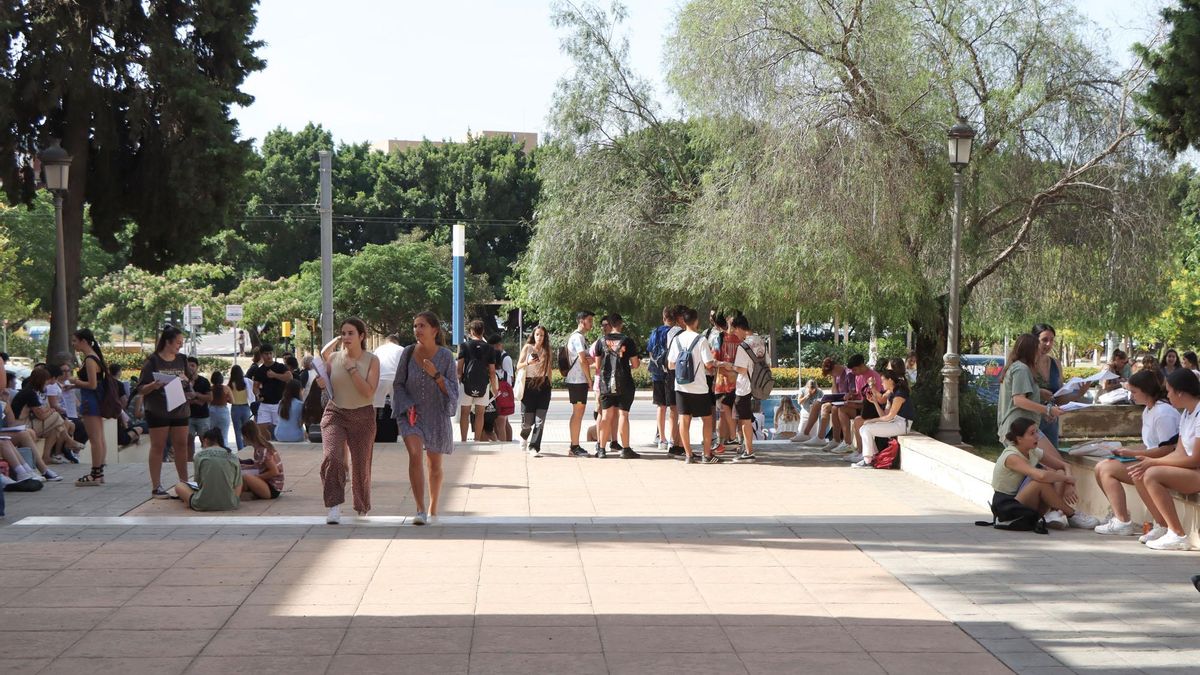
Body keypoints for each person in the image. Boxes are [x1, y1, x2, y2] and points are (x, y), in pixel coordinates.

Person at [1093, 370, 1181, 536]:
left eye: (1134, 392)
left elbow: (1167, 449)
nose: (1131, 396)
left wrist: (1132, 455)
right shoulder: (1149, 410)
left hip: (1163, 462)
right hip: (1150, 459)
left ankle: (1128, 521)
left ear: (1146, 391)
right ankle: (1120, 517)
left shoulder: (1163, 413)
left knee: (1106, 469)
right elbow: (1151, 444)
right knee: (1100, 467)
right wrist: (1126, 451)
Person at [393, 311, 459, 525]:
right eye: (415, 326)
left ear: (434, 330)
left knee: (434, 465)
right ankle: (420, 509)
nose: (417, 330)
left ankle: (433, 506)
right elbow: (398, 383)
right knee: (414, 454)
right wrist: (406, 404)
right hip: (411, 414)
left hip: (436, 413)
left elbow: (453, 391)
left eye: (422, 326)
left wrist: (436, 375)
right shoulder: (408, 352)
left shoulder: (446, 356)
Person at [1128, 368, 1200, 551]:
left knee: (1152, 474)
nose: (1167, 395)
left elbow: (1195, 460)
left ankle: (1177, 533)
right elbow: (1180, 453)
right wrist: (1148, 461)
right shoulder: (1187, 413)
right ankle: (1164, 527)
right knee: (1142, 472)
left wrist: (1154, 462)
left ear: (1180, 392)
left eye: (1169, 391)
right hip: (1192, 471)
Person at [319, 318, 380, 524]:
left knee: (361, 465)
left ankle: (362, 507)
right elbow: (326, 378)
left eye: (350, 333)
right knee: (333, 457)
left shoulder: (372, 360)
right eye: (343, 333)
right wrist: (321, 381)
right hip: (335, 413)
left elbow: (368, 392)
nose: (346, 338)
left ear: (361, 336)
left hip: (363, 416)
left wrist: (352, 369)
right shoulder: (334, 358)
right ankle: (334, 506)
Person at [991, 418, 1087, 530]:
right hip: (1007, 506)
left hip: (1023, 500)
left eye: (1037, 432)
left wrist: (1069, 484)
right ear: (1019, 438)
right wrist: (1067, 479)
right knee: (1040, 482)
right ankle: (1071, 514)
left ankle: (1053, 513)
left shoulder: (1033, 451)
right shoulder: (1012, 456)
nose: (1037, 436)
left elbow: (1064, 466)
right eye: (1032, 433)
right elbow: (1041, 476)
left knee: (1057, 473)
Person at [139, 325, 193, 498]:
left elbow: (190, 380)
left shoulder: (182, 359)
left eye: (181, 343)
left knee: (181, 445)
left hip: (179, 408)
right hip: (158, 409)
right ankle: (156, 486)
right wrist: (153, 386)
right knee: (158, 446)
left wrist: (185, 380)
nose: (179, 346)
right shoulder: (152, 361)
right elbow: (140, 389)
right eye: (177, 342)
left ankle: (184, 483)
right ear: (167, 342)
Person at [997, 333, 1067, 466]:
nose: (1039, 354)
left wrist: (1038, 393)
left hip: (1023, 428)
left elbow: (1018, 393)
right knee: (1058, 466)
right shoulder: (1021, 369)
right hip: (1021, 430)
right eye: (1038, 350)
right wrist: (1048, 410)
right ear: (1032, 350)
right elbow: (1019, 400)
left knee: (1042, 470)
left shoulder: (1016, 367)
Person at [668, 307, 717, 463]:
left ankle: (688, 455)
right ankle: (707, 454)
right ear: (696, 321)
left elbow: (671, 365)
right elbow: (709, 364)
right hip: (700, 387)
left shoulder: (677, 339)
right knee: (707, 420)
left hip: (681, 386)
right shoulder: (701, 339)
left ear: (683, 321)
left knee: (684, 420)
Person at [1032, 324, 1090, 447]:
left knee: (1052, 460)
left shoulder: (1056, 364)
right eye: (1044, 340)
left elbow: (1058, 398)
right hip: (1031, 421)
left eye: (1052, 340)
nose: (1048, 344)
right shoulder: (1025, 364)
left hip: (1051, 421)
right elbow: (1020, 396)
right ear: (1033, 339)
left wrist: (1079, 393)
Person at [11, 368, 76, 474]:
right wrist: (51, 411)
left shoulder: (31, 391)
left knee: (55, 428)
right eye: (46, 380)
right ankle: (68, 441)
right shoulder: (30, 393)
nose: (47, 383)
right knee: (56, 416)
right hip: (21, 424)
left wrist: (48, 410)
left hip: (25, 422)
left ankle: (47, 456)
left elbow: (42, 410)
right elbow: (41, 415)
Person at [594, 313, 641, 459]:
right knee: (623, 415)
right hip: (624, 383)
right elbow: (635, 364)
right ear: (620, 323)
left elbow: (597, 365)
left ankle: (601, 449)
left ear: (609, 324)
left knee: (606, 416)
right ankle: (625, 449)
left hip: (606, 383)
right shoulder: (627, 341)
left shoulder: (600, 341)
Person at [70, 329, 111, 485]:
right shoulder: (95, 356)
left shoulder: (89, 359)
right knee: (99, 438)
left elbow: (92, 384)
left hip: (90, 402)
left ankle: (95, 474)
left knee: (95, 439)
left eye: (75, 341)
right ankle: (98, 472)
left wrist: (75, 382)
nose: (73, 344)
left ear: (84, 341)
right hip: (95, 401)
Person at [851, 369, 915, 468]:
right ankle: (871, 457)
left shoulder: (899, 394)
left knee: (866, 428)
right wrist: (875, 402)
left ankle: (868, 461)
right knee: (864, 428)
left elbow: (889, 417)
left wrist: (871, 420)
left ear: (890, 380)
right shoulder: (892, 394)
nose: (881, 383)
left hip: (902, 425)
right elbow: (883, 416)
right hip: (896, 423)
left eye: (883, 380)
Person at [173, 427, 242, 512]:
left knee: (179, 486)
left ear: (205, 441)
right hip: (230, 504)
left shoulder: (199, 455)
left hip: (202, 504)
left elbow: (198, 482)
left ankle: (197, 500)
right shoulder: (233, 457)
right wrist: (234, 501)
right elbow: (238, 484)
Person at [728, 313, 767, 462]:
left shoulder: (743, 346)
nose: (734, 333)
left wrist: (730, 366)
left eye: (735, 330)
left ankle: (749, 451)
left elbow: (741, 369)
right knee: (746, 418)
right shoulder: (761, 341)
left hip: (744, 387)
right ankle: (747, 448)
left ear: (740, 328)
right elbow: (766, 362)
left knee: (744, 420)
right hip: (758, 385)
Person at [647, 306, 684, 456]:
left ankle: (661, 438)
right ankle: (672, 439)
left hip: (657, 373)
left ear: (663, 318)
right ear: (675, 319)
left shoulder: (655, 332)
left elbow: (650, 350)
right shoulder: (676, 332)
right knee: (673, 408)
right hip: (670, 374)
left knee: (660, 406)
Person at [457, 319, 498, 443]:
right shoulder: (489, 348)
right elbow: (492, 371)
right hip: (483, 384)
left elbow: (459, 368)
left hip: (467, 383)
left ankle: (464, 440)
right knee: (480, 413)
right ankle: (477, 440)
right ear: (483, 331)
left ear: (471, 331)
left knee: (465, 413)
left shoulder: (464, 346)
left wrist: (458, 383)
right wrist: (494, 387)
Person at [802, 357, 855, 451]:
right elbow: (835, 392)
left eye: (831, 373)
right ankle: (807, 434)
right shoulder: (837, 375)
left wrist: (847, 395)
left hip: (846, 402)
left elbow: (853, 392)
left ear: (835, 368)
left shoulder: (849, 373)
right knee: (817, 403)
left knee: (830, 408)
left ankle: (834, 439)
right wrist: (834, 379)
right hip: (838, 400)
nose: (831, 375)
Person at [837, 354, 884, 460]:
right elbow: (860, 394)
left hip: (874, 408)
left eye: (854, 370)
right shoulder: (858, 376)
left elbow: (875, 398)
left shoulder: (874, 376)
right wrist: (851, 395)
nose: (853, 373)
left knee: (858, 420)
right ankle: (847, 443)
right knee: (841, 409)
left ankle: (861, 451)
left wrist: (855, 403)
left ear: (862, 365)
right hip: (863, 407)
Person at [515, 326, 553, 457]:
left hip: (543, 385)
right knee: (527, 422)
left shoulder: (547, 350)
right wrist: (528, 362)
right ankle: (524, 436)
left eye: (542, 335)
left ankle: (534, 447)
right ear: (534, 335)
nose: (540, 337)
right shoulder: (528, 348)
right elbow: (518, 366)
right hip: (529, 385)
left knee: (540, 420)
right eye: (537, 334)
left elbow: (549, 368)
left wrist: (550, 384)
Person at [563, 311, 595, 457]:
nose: (591, 323)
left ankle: (574, 445)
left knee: (578, 413)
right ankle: (574, 446)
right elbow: (583, 359)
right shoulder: (577, 337)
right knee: (578, 413)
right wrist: (589, 380)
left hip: (578, 380)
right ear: (581, 321)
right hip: (577, 380)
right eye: (589, 320)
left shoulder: (580, 337)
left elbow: (587, 358)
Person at [713, 310, 743, 452]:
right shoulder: (721, 338)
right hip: (726, 382)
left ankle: (732, 440)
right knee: (725, 414)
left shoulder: (738, 338)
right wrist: (725, 365)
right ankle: (726, 442)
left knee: (730, 413)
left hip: (733, 382)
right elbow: (713, 360)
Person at [252, 344, 292, 438]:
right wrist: (257, 394)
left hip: (279, 403)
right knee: (261, 428)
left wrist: (275, 375)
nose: (269, 356)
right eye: (266, 354)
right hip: (265, 403)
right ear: (262, 355)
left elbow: (289, 377)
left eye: (270, 353)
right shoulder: (259, 371)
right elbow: (255, 386)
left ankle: (278, 445)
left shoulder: (280, 367)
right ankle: (268, 444)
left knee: (279, 429)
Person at [240, 420, 285, 500]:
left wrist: (257, 477)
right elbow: (261, 466)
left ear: (246, 436)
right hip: (268, 484)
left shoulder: (262, 450)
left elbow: (274, 471)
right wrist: (247, 466)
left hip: (272, 488)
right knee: (243, 472)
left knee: (246, 477)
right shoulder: (259, 448)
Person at [487, 333, 514, 442]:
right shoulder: (500, 356)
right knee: (504, 422)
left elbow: (510, 377)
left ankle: (506, 443)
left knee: (502, 422)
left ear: (498, 345)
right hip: (501, 393)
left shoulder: (505, 358)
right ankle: (506, 442)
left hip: (502, 394)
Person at [185, 356, 212, 453]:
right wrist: (196, 401)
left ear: (197, 367)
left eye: (193, 365)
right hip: (188, 416)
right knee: (188, 443)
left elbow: (210, 398)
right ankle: (189, 463)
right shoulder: (183, 382)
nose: (190, 368)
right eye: (188, 366)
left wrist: (196, 394)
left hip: (202, 416)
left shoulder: (204, 381)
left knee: (205, 441)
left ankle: (206, 460)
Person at [228, 365, 252, 450]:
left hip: (235, 408)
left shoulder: (230, 384)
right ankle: (247, 447)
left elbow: (228, 399)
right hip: (245, 407)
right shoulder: (246, 383)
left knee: (237, 431)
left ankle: (240, 449)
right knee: (247, 430)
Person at [208, 370, 232, 445]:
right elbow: (232, 401)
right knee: (224, 435)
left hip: (211, 411)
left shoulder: (210, 388)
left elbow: (208, 400)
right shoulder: (226, 388)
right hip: (223, 411)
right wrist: (225, 399)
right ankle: (224, 452)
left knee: (211, 435)